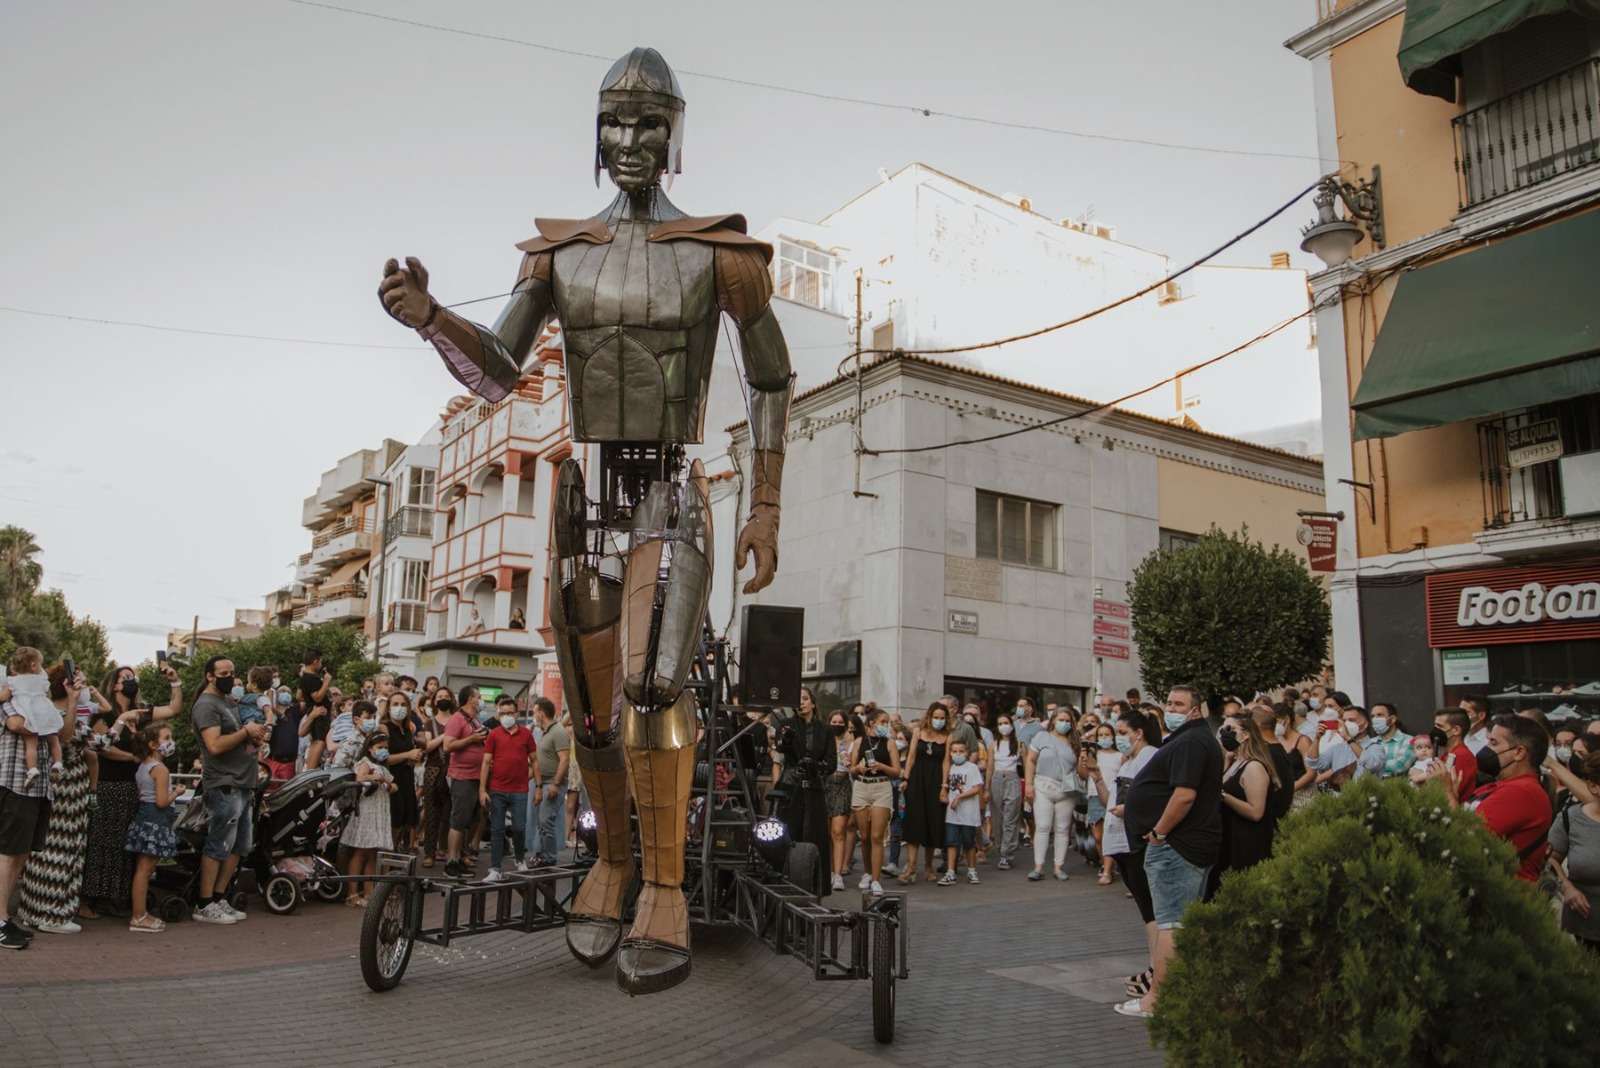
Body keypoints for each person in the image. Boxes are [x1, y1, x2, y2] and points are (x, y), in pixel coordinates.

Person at [1117, 686, 1223, 1019]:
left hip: (1177, 844)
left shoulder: (1191, 741)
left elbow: (1184, 795)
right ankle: (1185, 992)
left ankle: (1158, 999)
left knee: (1171, 924)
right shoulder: (1190, 739)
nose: (1172, 709)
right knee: (1180, 923)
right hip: (1185, 842)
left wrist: (1160, 832)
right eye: (1169, 704)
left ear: (1196, 710)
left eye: (1180, 704)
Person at [1, 664, 83, 950]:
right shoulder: (12, 698)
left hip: (38, 787)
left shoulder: (38, 704)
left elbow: (64, 736)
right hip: (13, 783)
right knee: (8, 854)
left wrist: (72, 701)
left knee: (21, 854)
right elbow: (15, 724)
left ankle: (3, 919)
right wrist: (46, 717)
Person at [15, 663, 98, 935]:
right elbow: (70, 739)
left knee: (44, 849)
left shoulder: (42, 708)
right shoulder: (58, 711)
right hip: (68, 788)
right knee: (63, 850)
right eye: (80, 681)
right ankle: (52, 913)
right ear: (68, 683)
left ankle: (32, 910)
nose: (83, 685)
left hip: (53, 786)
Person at [1431, 713, 1553, 882]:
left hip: (1505, 897)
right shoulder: (1497, 787)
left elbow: (1467, 840)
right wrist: (1453, 797)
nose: (1485, 748)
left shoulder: (1520, 792)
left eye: (1493, 743)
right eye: (1487, 740)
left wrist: (1447, 793)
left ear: (1519, 752)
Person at [191, 656, 266, 924]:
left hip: (245, 781)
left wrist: (255, 736)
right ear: (210, 676)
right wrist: (246, 732)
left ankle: (219, 896)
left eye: (233, 672)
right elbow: (214, 745)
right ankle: (204, 902)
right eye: (224, 673)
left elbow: (238, 736)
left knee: (239, 845)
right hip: (225, 783)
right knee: (219, 843)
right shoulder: (207, 705)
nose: (230, 678)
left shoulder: (228, 703)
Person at [1097, 706, 1161, 1000]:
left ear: (1139, 733)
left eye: (1123, 733)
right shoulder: (1128, 761)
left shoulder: (1148, 756)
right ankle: (1154, 968)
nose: (1118, 738)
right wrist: (1096, 775)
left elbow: (1152, 797)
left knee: (1151, 912)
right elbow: (1110, 800)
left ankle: (1157, 971)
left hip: (1137, 842)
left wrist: (1130, 809)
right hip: (1121, 842)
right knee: (1146, 912)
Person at [124, 723, 185, 933]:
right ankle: (138, 916)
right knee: (145, 870)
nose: (170, 742)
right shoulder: (160, 769)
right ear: (153, 744)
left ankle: (140, 913)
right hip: (156, 819)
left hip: (144, 816)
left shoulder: (143, 765)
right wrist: (177, 792)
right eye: (166, 738)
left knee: (144, 869)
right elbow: (161, 801)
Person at [1211, 714, 1280, 895]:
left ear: (1246, 734)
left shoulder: (1254, 767)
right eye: (1222, 729)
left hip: (1246, 842)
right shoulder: (1236, 762)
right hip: (1229, 839)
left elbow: (1256, 812)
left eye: (1229, 730)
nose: (1224, 734)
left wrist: (1223, 796)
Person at [776, 686, 835, 884]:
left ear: (813, 702)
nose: (801, 703)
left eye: (804, 698)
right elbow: (780, 748)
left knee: (814, 834)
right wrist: (785, 739)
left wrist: (816, 766)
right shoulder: (786, 724)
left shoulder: (825, 730)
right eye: (797, 699)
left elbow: (832, 763)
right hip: (791, 786)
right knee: (788, 832)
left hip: (814, 788)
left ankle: (814, 883)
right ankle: (783, 879)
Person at [1548, 750, 1600, 954]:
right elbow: (1550, 860)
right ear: (1593, 786)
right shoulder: (1571, 819)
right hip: (1585, 928)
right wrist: (1567, 888)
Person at [1024, 705, 1082, 882]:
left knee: (1063, 829)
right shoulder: (1042, 737)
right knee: (1042, 826)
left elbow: (1080, 767)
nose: (1064, 724)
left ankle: (1059, 867)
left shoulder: (1076, 741)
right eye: (1061, 720)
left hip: (1066, 790)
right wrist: (1028, 784)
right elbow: (1031, 760)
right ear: (1053, 721)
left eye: (1067, 721)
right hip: (1043, 785)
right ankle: (1038, 866)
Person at [480, 696, 535, 881]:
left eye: (509, 713)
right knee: (497, 830)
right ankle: (495, 868)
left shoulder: (526, 735)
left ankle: (519, 859)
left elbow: (535, 761)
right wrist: (482, 789)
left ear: (516, 714)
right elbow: (486, 762)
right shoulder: (494, 734)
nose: (506, 717)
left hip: (520, 790)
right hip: (497, 789)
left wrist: (540, 786)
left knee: (519, 827)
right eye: (502, 713)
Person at [341, 728, 397, 905]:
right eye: (380, 747)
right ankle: (351, 894)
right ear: (370, 748)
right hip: (367, 812)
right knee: (361, 853)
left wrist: (390, 785)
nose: (383, 750)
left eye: (386, 747)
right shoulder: (365, 763)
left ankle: (368, 892)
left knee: (373, 854)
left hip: (380, 813)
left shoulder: (382, 766)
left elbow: (393, 785)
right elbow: (360, 778)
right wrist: (375, 777)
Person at [897, 702, 950, 885]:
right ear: (929, 717)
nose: (939, 721)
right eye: (936, 717)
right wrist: (906, 779)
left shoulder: (947, 736)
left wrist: (944, 787)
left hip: (935, 781)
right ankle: (911, 867)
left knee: (932, 823)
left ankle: (928, 866)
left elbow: (946, 762)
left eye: (942, 718)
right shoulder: (918, 733)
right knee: (914, 822)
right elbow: (911, 756)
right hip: (917, 780)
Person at [849, 707, 900, 895]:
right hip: (862, 786)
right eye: (883, 722)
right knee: (864, 836)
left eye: (887, 723)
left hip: (882, 786)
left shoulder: (889, 743)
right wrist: (859, 769)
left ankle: (877, 879)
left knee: (877, 835)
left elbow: (897, 772)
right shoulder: (859, 741)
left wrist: (881, 766)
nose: (886, 726)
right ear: (871, 723)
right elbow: (852, 770)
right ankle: (867, 872)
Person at [442, 686, 491, 878]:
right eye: (479, 697)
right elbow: (448, 746)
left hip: (476, 777)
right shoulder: (457, 719)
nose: (481, 700)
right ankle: (451, 862)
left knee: (470, 820)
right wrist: (472, 739)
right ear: (471, 699)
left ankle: (460, 857)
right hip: (462, 776)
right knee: (458, 820)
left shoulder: (474, 719)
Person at [3, 649, 64, 787]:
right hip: (44, 712)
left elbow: (3, 697)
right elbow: (48, 696)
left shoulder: (13, 682)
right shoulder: (41, 680)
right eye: (40, 664)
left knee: (31, 744)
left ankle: (32, 769)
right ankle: (58, 763)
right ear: (33, 666)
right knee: (53, 739)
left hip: (28, 713)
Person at [528, 697, 569, 867]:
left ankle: (549, 858)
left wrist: (556, 783)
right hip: (541, 783)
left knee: (546, 821)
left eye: (534, 712)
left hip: (552, 783)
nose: (533, 715)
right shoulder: (545, 732)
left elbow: (564, 759)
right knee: (541, 823)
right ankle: (543, 856)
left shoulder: (558, 732)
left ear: (541, 713)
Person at [416, 693, 455, 868]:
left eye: (446, 696)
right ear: (435, 701)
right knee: (431, 812)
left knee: (452, 812)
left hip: (454, 769)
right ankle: (429, 854)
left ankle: (445, 849)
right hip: (433, 769)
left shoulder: (457, 719)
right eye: (439, 696)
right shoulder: (429, 723)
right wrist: (446, 734)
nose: (442, 699)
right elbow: (428, 747)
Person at [939, 740, 984, 886]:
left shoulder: (972, 768)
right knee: (951, 842)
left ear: (967, 752)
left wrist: (959, 796)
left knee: (969, 843)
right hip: (953, 814)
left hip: (968, 813)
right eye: (954, 752)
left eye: (961, 751)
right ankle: (950, 871)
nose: (957, 754)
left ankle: (972, 870)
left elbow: (976, 788)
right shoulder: (950, 768)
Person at [383, 691, 423, 850]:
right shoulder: (384, 728)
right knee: (393, 823)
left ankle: (394, 854)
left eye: (403, 704)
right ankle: (387, 858)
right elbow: (382, 758)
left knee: (402, 823)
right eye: (395, 704)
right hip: (392, 780)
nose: (399, 708)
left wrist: (412, 759)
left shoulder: (407, 730)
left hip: (406, 778)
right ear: (388, 708)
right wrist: (407, 754)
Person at [825, 709, 859, 891]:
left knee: (838, 832)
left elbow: (854, 768)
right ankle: (829, 870)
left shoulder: (852, 742)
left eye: (840, 723)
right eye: (833, 722)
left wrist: (850, 761)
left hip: (842, 784)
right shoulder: (824, 739)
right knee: (827, 832)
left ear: (846, 725)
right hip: (824, 785)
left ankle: (838, 874)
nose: (836, 725)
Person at [990, 712, 1023, 871]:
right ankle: (999, 847)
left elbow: (1029, 764)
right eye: (1000, 723)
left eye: (1006, 722)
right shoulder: (994, 744)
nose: (1004, 726)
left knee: (1011, 818)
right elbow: (990, 766)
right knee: (998, 818)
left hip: (1012, 779)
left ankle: (1007, 854)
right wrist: (986, 788)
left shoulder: (1020, 744)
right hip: (996, 779)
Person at [1090, 722, 1122, 885]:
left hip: (1113, 797)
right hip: (1094, 796)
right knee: (1098, 836)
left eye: (1107, 734)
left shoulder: (1120, 755)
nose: (1103, 738)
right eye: (1100, 735)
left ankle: (1108, 871)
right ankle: (1106, 863)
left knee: (1110, 834)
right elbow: (1082, 773)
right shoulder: (1093, 755)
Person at [1432, 708, 1480, 804]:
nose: (1435, 730)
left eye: (1440, 726)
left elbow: (1446, 791)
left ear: (1456, 730)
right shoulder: (1448, 754)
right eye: (1435, 726)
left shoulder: (1461, 756)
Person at [1369, 701, 1416, 780]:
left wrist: (1370, 764)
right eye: (1373, 716)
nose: (1375, 719)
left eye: (1379, 715)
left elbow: (1399, 766)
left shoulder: (1409, 741)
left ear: (1393, 719)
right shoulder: (1370, 742)